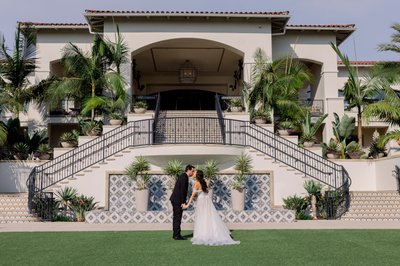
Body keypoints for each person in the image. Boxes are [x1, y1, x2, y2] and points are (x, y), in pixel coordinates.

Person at [182, 170, 240, 246]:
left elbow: (192, 196)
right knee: (209, 216)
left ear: (197, 176)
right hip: (207, 200)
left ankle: (203, 233)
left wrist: (187, 205)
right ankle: (210, 232)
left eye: (195, 173)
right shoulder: (204, 182)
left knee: (202, 217)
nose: (193, 173)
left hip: (201, 201)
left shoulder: (196, 184)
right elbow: (206, 191)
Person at [170, 164, 195, 240]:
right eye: (192, 171)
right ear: (189, 170)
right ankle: (177, 235)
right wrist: (183, 202)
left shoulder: (183, 176)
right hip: (178, 200)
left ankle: (175, 234)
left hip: (175, 199)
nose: (193, 173)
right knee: (177, 218)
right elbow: (182, 191)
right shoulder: (184, 177)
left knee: (176, 218)